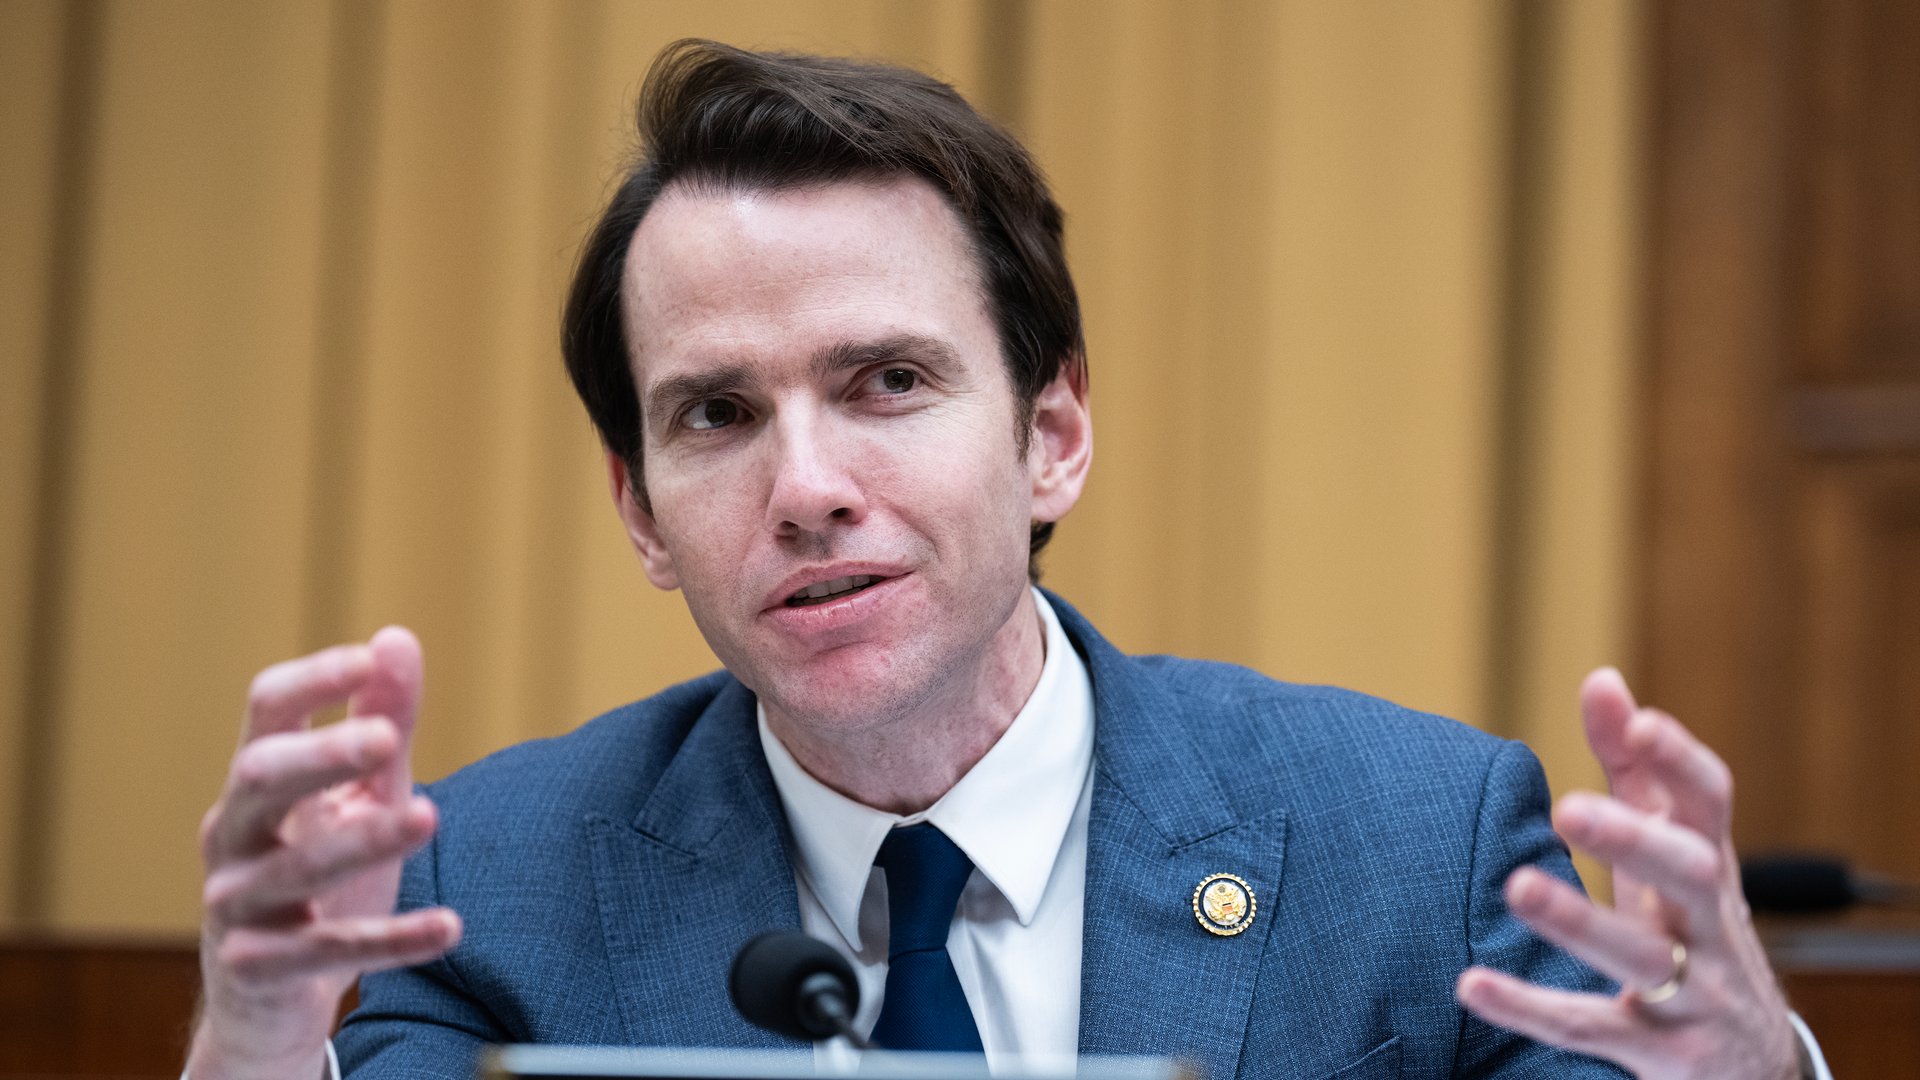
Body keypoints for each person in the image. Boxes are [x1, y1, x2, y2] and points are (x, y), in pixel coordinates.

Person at [184, 41, 1826, 1080]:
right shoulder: (487, 887)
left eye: (887, 382)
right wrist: (253, 1044)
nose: (808, 486)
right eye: (716, 416)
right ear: (639, 513)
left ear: (1052, 435)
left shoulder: (1414, 848)